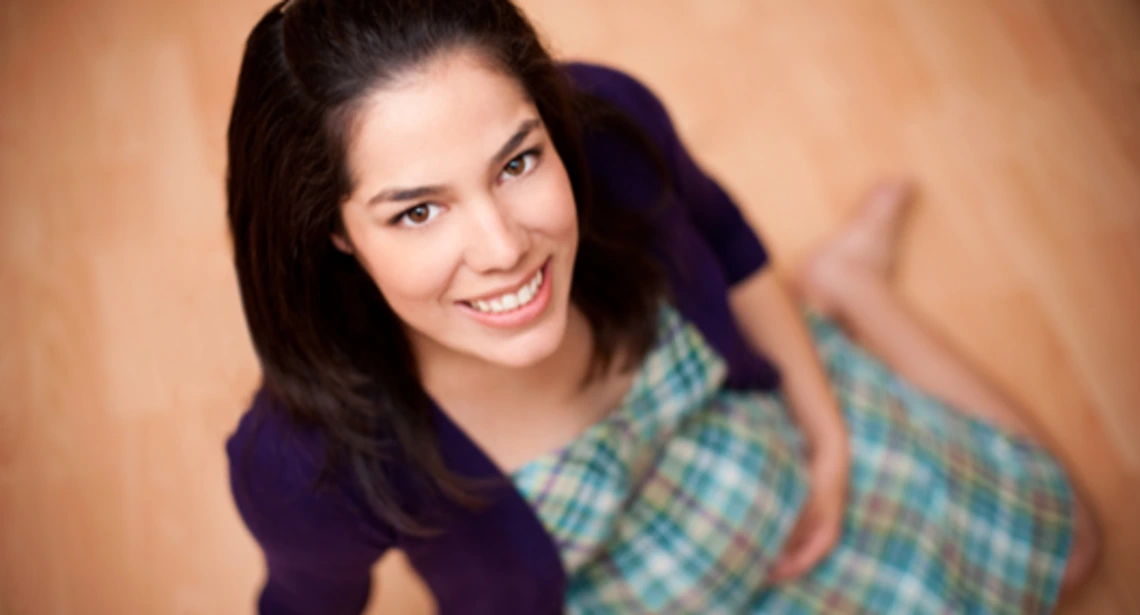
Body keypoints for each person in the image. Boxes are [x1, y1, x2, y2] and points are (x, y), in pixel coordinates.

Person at [224, 0, 1102, 613]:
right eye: (418, 210)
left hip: (779, 452)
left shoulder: (607, 128)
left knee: (1073, 546)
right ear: (332, 230)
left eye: (518, 162)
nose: (503, 248)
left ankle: (850, 284)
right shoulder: (304, 466)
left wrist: (825, 433)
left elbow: (724, 237)